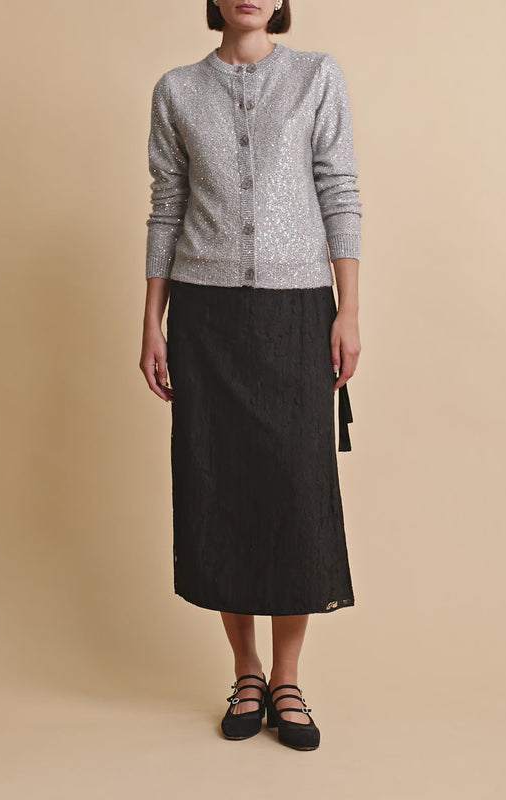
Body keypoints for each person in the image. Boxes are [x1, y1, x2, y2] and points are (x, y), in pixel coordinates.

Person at [139, 0, 362, 751]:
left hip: (297, 310)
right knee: (220, 487)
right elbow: (166, 208)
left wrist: (348, 310)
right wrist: (152, 322)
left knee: (296, 489)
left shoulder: (317, 76)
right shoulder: (176, 90)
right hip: (204, 317)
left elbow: (339, 189)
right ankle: (246, 671)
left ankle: (288, 678)